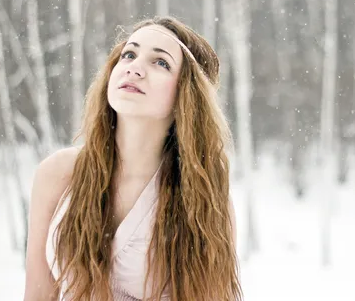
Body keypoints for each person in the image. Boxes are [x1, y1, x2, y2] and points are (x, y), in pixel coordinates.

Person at [24, 16, 243, 301]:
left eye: (160, 62)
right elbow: (37, 294)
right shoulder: (58, 173)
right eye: (129, 54)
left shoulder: (205, 199)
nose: (135, 68)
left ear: (185, 97)